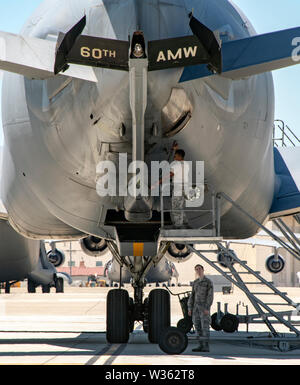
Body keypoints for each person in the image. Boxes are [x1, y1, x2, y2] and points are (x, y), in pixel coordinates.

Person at [188, 264, 214, 352]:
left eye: (199, 269)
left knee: (205, 327)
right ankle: (200, 345)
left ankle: (206, 346)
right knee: (197, 327)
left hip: (204, 308)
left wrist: (207, 307)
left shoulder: (208, 282)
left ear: (203, 270)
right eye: (196, 269)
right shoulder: (195, 282)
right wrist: (189, 308)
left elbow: (210, 296)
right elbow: (192, 296)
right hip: (196, 309)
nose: (198, 271)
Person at [169, 146, 190, 228]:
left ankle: (178, 225)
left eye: (175, 156)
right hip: (185, 187)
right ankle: (185, 223)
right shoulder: (186, 164)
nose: (174, 157)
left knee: (176, 207)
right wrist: (176, 150)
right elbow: (180, 155)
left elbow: (170, 175)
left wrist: (158, 182)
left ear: (179, 156)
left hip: (178, 188)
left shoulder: (176, 164)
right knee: (180, 206)